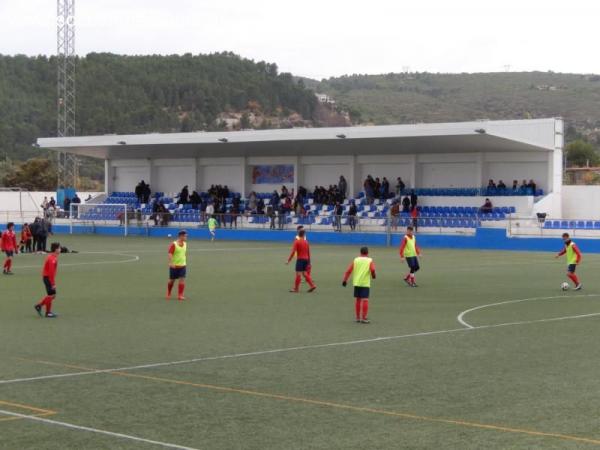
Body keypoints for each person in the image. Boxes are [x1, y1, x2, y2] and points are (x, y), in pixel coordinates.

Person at [342, 246, 376, 324]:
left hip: (356, 283)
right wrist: (373, 275)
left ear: (360, 252)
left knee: (358, 300)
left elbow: (348, 271)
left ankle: (357, 318)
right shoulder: (369, 260)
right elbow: (373, 269)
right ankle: (364, 318)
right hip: (365, 283)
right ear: (367, 253)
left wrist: (345, 280)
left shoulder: (356, 260)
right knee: (365, 300)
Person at [34, 242, 61, 318]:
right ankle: (47, 312)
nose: (60, 249)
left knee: (52, 295)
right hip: (48, 278)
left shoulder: (52, 257)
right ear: (55, 249)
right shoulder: (52, 259)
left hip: (47, 277)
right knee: (51, 295)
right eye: (59, 248)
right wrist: (53, 284)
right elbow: (51, 273)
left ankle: (40, 306)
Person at [286, 229, 316, 293]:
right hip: (306, 259)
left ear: (298, 234)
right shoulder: (306, 242)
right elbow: (308, 252)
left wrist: (288, 260)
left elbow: (293, 252)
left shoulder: (297, 242)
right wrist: (309, 262)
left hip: (300, 260)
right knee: (305, 273)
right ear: (304, 235)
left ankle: (296, 289)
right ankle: (312, 285)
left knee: (298, 274)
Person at [167, 230, 188, 301]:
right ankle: (169, 293)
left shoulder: (185, 244)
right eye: (185, 236)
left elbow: (183, 253)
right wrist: (170, 263)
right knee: (171, 281)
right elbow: (170, 253)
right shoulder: (174, 244)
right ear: (181, 236)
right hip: (174, 266)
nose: (186, 237)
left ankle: (180, 295)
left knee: (182, 280)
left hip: (183, 266)